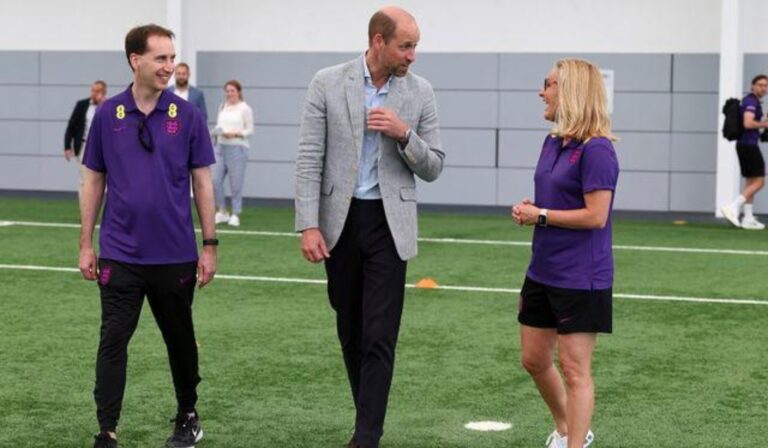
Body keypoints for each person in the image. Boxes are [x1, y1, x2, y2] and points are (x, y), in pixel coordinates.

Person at [294, 6, 444, 448]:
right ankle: (368, 419)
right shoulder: (326, 82)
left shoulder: (421, 93)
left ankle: (366, 437)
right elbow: (308, 159)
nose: (413, 55)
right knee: (350, 328)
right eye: (406, 45)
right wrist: (308, 225)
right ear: (378, 42)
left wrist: (403, 134)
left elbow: (434, 166)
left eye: (415, 46)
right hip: (338, 224)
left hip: (388, 224)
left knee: (380, 333)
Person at [79, 24, 217, 448]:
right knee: (113, 339)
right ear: (135, 60)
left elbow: (203, 182)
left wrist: (210, 244)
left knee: (179, 339)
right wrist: (87, 242)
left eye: (171, 58)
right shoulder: (107, 115)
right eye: (160, 58)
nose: (169, 67)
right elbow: (93, 180)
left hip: (174, 254)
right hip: (120, 254)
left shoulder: (187, 115)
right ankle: (107, 429)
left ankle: (187, 415)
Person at [511, 59, 619, 448]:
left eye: (549, 85)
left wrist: (539, 214)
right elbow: (555, 203)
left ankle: (575, 443)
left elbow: (595, 216)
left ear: (571, 90)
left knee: (575, 371)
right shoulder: (553, 142)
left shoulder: (599, 150)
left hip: (581, 276)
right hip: (542, 270)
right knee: (534, 360)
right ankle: (567, 428)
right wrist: (536, 210)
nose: (542, 92)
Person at [720, 74, 768, 230]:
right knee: (760, 182)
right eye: (760, 85)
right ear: (752, 86)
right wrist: (765, 124)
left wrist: (763, 123)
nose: (763, 88)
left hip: (745, 145)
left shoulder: (752, 102)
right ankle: (733, 207)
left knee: (751, 182)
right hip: (748, 146)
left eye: (765, 85)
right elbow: (748, 123)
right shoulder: (751, 101)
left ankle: (748, 218)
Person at [211, 80, 254, 227]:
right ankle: (222, 211)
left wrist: (235, 134)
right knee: (215, 180)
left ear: (239, 92)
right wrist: (216, 132)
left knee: (236, 184)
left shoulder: (245, 108)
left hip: (237, 148)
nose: (229, 94)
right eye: (227, 91)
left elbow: (250, 130)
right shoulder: (222, 106)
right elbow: (219, 125)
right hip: (220, 147)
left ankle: (235, 213)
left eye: (232, 91)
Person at [64, 80, 107, 200]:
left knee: (100, 179)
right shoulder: (82, 105)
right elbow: (71, 126)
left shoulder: (108, 107)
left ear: (104, 92)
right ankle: (85, 211)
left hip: (101, 147)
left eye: (98, 91)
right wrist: (67, 146)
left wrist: (103, 105)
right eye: (93, 90)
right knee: (84, 179)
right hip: (83, 146)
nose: (94, 93)